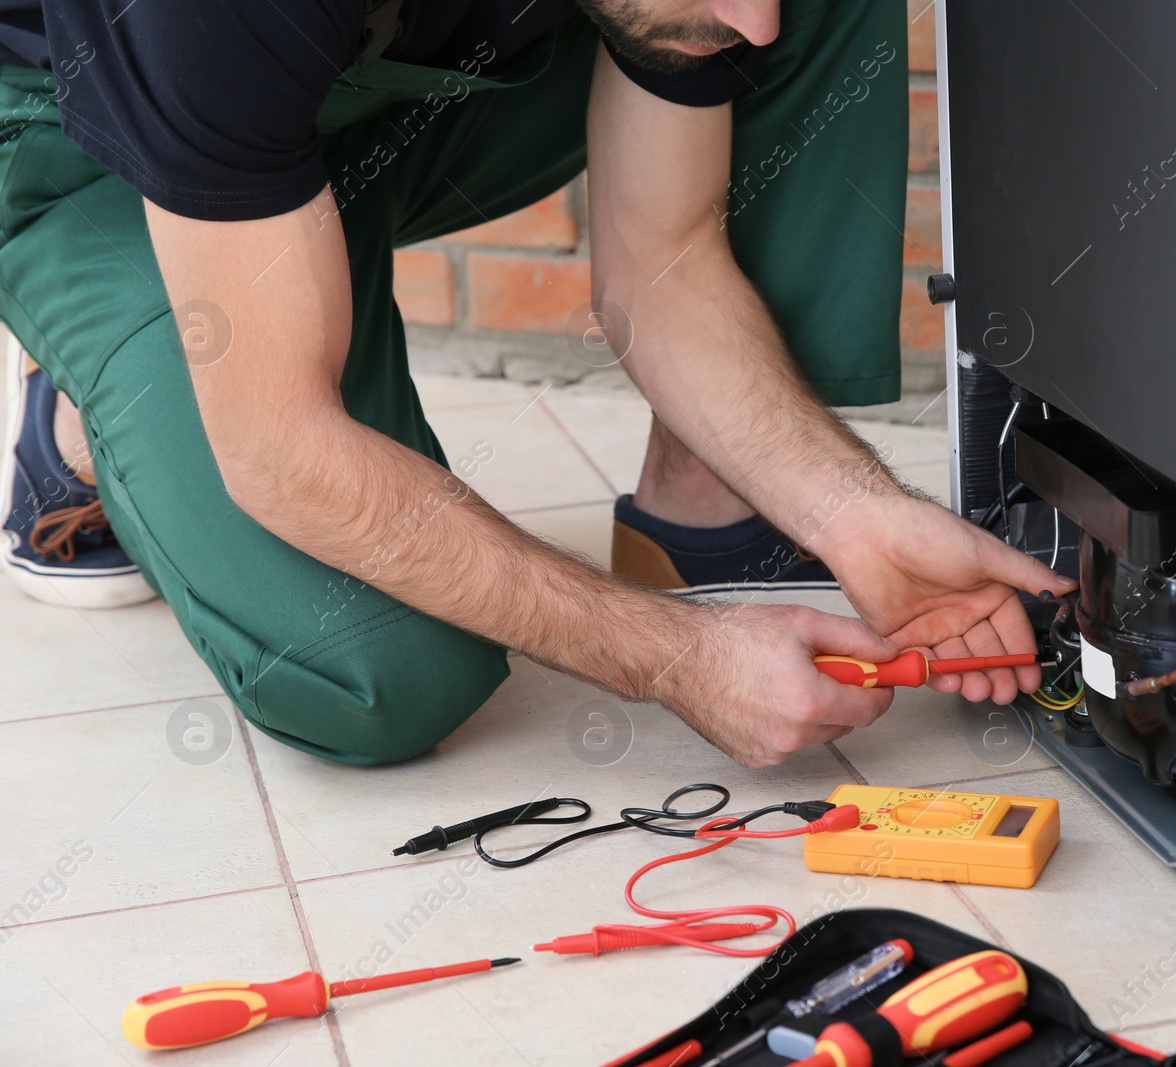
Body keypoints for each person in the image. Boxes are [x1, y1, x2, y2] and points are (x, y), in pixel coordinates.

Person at [0, 0, 1070, 767]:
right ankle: (99, 417)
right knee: (380, 674)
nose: (755, 25)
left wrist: (855, 513)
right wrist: (678, 661)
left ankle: (708, 503)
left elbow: (665, 263)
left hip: (350, 96)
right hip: (95, 150)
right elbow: (284, 448)